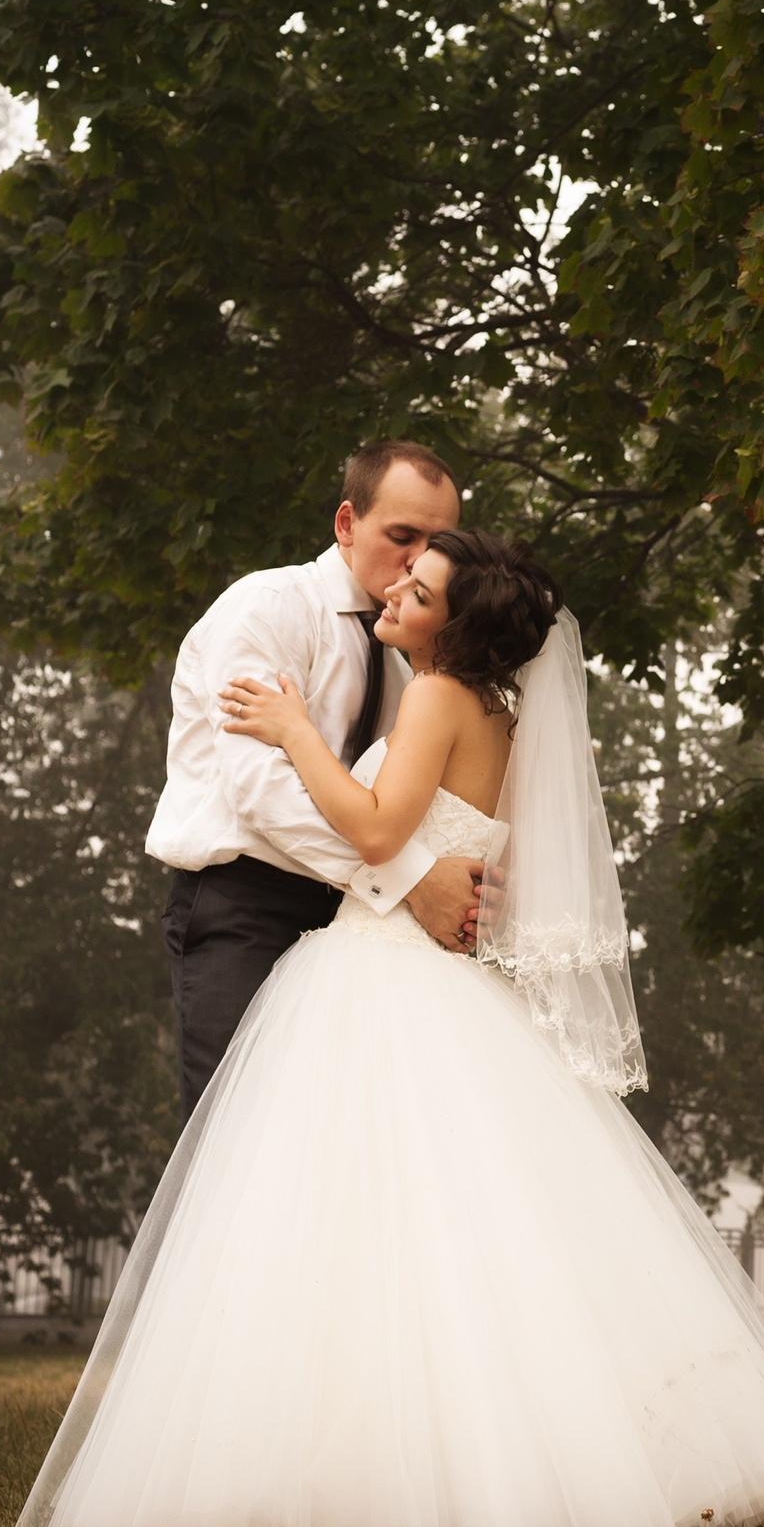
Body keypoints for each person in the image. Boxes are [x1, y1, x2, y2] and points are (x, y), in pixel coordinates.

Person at [14, 528, 764, 1527]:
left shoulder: (433, 696)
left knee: (367, 1232)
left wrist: (291, 730)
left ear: (450, 626)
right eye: (403, 574)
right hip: (448, 979)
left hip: (380, 974)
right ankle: (523, 1477)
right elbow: (457, 852)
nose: (398, 589)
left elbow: (373, 832)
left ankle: (412, 1487)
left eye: (418, 589)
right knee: (471, 1240)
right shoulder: (502, 718)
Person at [147, 441, 484, 1124]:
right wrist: (415, 882)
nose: (418, 560)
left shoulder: (414, 659)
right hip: (246, 907)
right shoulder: (265, 609)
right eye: (401, 536)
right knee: (235, 1146)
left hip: (360, 931)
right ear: (345, 523)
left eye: (435, 542)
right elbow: (261, 795)